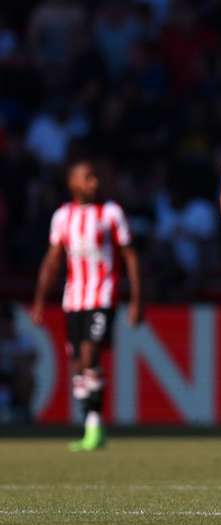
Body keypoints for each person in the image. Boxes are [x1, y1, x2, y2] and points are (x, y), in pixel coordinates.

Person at [32, 157, 142, 451]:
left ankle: (94, 426)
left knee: (90, 354)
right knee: (78, 364)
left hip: (102, 295)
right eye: (88, 177)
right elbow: (53, 260)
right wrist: (40, 301)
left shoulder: (110, 213)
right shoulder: (62, 216)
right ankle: (91, 423)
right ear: (73, 183)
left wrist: (135, 300)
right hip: (73, 298)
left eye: (95, 177)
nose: (94, 183)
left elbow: (130, 256)